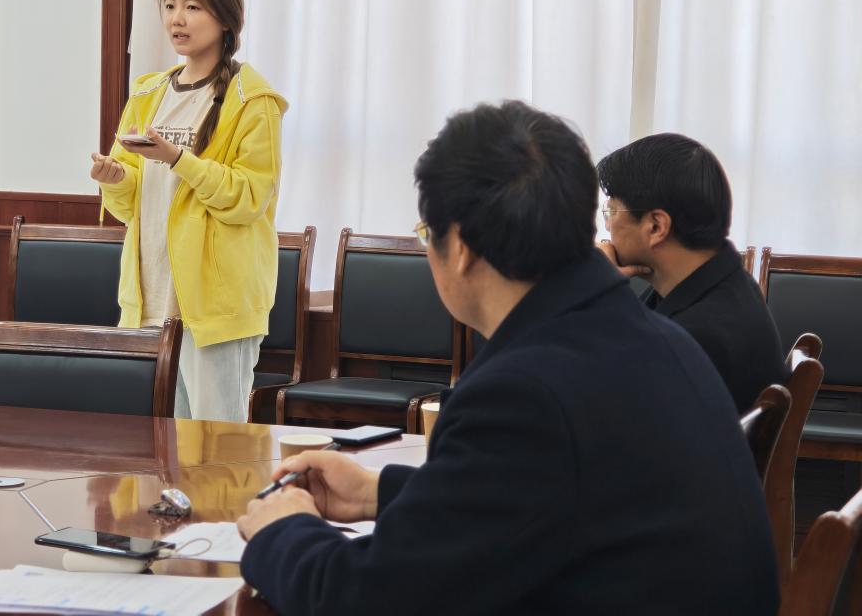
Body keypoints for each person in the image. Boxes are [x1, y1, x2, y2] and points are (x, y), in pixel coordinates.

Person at [236, 101, 778, 615]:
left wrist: (282, 529)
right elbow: (531, 496)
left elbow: (370, 600)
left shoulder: (524, 393)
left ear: (462, 247)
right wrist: (379, 492)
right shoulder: (646, 335)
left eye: (427, 234)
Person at [91, 0, 287, 423]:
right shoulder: (148, 94)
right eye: (170, 6)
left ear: (225, 18)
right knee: (159, 445)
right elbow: (133, 204)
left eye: (193, 7)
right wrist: (117, 181)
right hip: (150, 298)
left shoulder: (252, 101)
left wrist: (179, 159)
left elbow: (247, 198)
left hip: (216, 306)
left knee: (217, 445)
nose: (177, 19)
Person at [596, 133, 785, 412]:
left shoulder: (696, 337)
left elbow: (594, 399)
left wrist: (595, 293)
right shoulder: (723, 283)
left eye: (611, 211)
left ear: (656, 227)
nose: (607, 227)